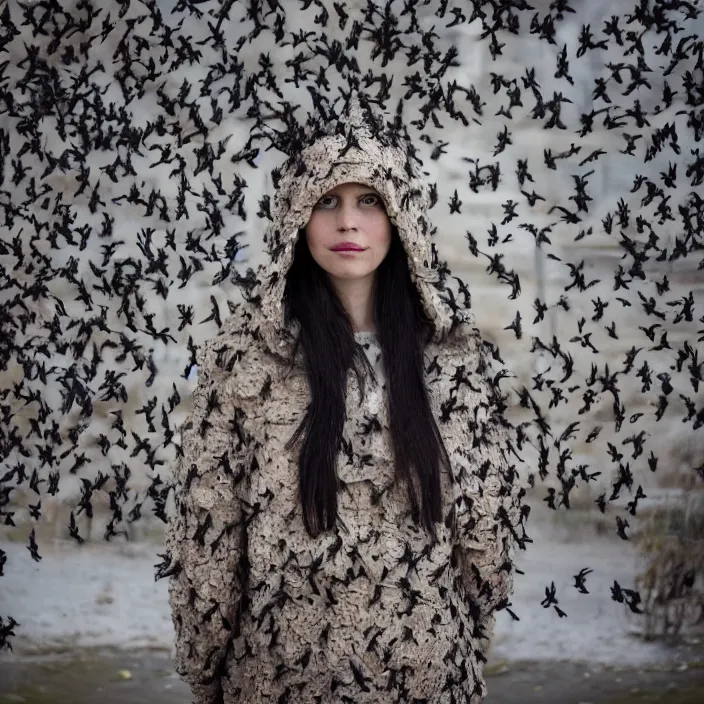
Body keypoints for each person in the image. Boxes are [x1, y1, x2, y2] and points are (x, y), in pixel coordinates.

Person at [164, 96, 526, 704]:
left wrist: (457, 643)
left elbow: (486, 541)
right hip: (277, 681)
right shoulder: (246, 365)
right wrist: (207, 671)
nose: (348, 224)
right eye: (327, 200)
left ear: (402, 217)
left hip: (427, 678)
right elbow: (208, 539)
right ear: (296, 219)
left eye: (370, 201)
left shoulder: (454, 362)